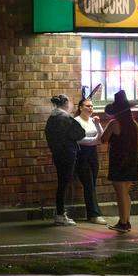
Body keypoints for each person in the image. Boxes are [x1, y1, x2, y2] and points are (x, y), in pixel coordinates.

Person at [100, 90, 138, 232]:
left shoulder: (114, 123)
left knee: (120, 193)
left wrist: (99, 126)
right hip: (131, 161)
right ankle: (126, 221)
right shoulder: (134, 124)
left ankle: (123, 223)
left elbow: (103, 139)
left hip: (118, 162)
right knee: (125, 193)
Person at [44, 94, 85, 225]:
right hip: (67, 154)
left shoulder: (52, 118)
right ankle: (61, 214)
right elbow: (80, 133)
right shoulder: (65, 117)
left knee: (62, 183)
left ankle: (60, 213)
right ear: (66, 103)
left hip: (57, 154)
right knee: (64, 184)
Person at [73, 97, 107, 224]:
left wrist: (98, 124)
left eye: (92, 106)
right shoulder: (76, 121)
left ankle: (92, 213)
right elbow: (78, 139)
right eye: (87, 106)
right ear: (81, 108)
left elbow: (102, 136)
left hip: (93, 154)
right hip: (82, 154)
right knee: (88, 183)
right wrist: (94, 140)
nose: (90, 108)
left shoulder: (93, 121)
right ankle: (94, 214)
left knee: (92, 184)